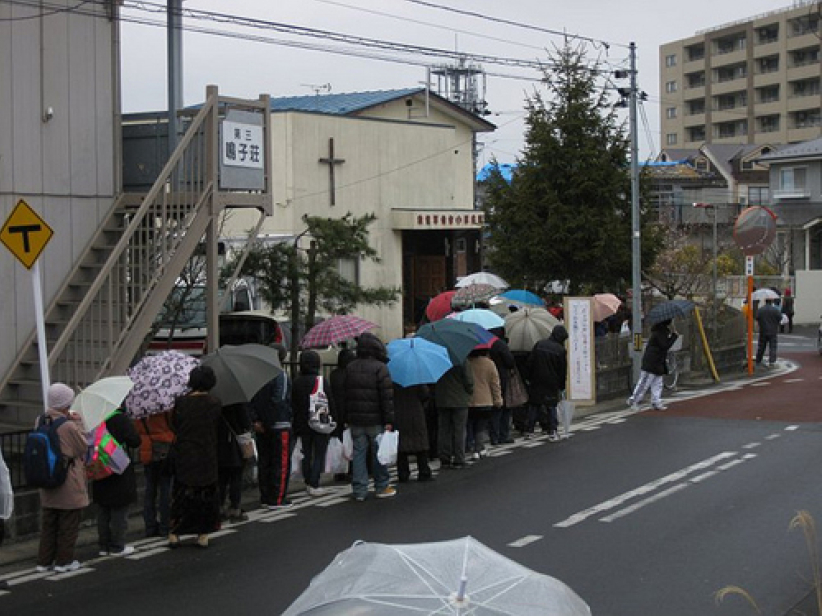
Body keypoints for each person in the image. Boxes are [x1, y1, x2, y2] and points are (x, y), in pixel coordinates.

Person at [35, 383, 89, 573]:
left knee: (49, 523)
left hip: (47, 478)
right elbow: (82, 446)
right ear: (66, 402)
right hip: (67, 479)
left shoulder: (41, 420)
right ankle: (64, 561)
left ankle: (44, 561)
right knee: (68, 523)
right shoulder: (67, 425)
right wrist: (78, 423)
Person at [168, 366, 222, 549]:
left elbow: (174, 425)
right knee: (205, 494)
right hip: (206, 452)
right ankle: (203, 534)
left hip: (185, 452)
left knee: (182, 492)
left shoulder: (181, 403)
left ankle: (174, 532)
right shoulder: (214, 403)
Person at [343, 332, 396, 501]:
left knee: (359, 452)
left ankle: (359, 489)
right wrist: (389, 420)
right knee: (378, 453)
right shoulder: (380, 368)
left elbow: (346, 395)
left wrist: (347, 417)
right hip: (376, 418)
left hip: (356, 419)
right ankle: (381, 486)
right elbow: (386, 397)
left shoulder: (350, 367)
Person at [249, 344, 293, 509]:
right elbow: (279, 400)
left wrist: (256, 420)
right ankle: (278, 497)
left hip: (261, 425)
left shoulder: (257, 375)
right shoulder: (281, 375)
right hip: (279, 423)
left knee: (265, 461)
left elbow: (250, 399)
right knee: (280, 463)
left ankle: (265, 496)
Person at [93, 407, 141, 556]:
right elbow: (135, 441)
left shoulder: (94, 418)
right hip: (118, 465)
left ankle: (103, 545)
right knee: (119, 507)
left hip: (99, 465)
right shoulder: (120, 418)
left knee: (103, 508)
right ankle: (117, 545)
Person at [292, 350, 333, 497]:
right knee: (319, 453)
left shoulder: (296, 382)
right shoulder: (321, 381)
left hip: (302, 422)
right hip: (319, 421)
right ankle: (314, 482)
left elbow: (294, 403)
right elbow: (330, 401)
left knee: (306, 453)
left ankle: (308, 480)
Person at [525, 325, 568, 441]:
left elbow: (530, 362)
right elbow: (562, 370)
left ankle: (529, 431)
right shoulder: (560, 350)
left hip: (536, 380)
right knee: (551, 407)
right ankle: (552, 431)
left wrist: (528, 377)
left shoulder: (539, 344)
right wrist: (561, 385)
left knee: (534, 406)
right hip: (552, 382)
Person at [136, 411, 174, 538]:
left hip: (146, 448)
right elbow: (172, 423)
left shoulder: (138, 409)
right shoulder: (163, 408)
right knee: (165, 488)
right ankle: (165, 525)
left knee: (150, 489)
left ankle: (150, 526)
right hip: (164, 447)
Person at [627, 320, 678, 411]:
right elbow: (665, 346)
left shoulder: (660, 331)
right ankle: (634, 400)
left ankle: (656, 401)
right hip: (652, 361)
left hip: (656, 361)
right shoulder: (659, 333)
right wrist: (674, 336)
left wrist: (673, 336)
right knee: (645, 382)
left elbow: (664, 346)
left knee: (657, 382)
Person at [217, 402, 251, 522]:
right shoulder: (237, 401)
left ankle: (219, 506)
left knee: (221, 478)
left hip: (217, 444)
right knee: (236, 476)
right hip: (234, 443)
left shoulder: (213, 402)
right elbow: (246, 421)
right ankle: (234, 507)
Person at [435, 363, 473, 469]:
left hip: (442, 399)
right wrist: (469, 391)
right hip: (459, 400)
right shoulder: (461, 361)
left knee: (444, 430)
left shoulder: (437, 361)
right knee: (459, 430)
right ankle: (459, 458)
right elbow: (468, 381)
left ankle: (445, 458)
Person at [466, 348, 503, 460]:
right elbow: (495, 384)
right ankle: (479, 448)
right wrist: (498, 399)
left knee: (470, 425)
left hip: (469, 400)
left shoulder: (466, 363)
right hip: (486, 400)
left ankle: (471, 447)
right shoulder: (489, 364)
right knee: (480, 427)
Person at [393, 383, 433, 482]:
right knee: (420, 443)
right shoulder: (417, 379)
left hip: (399, 413)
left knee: (401, 445)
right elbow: (425, 394)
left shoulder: (393, 379)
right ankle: (423, 471)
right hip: (416, 413)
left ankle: (403, 473)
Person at [329, 348, 355, 482]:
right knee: (349, 444)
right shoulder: (351, 375)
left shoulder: (333, 374)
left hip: (335, 413)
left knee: (338, 444)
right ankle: (350, 471)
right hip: (348, 413)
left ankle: (338, 472)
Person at [487, 332, 516, 445]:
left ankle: (493, 436)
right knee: (503, 407)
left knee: (494, 408)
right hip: (502, 377)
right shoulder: (500, 344)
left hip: (486, 379)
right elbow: (510, 362)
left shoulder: (485, 344)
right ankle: (503, 435)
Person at [756, 298, 783, 367]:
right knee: (773, 346)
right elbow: (780, 317)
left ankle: (758, 360)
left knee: (761, 346)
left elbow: (757, 317)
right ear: (771, 302)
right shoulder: (775, 310)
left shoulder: (761, 310)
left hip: (763, 331)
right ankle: (772, 361)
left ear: (765, 301)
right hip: (773, 331)